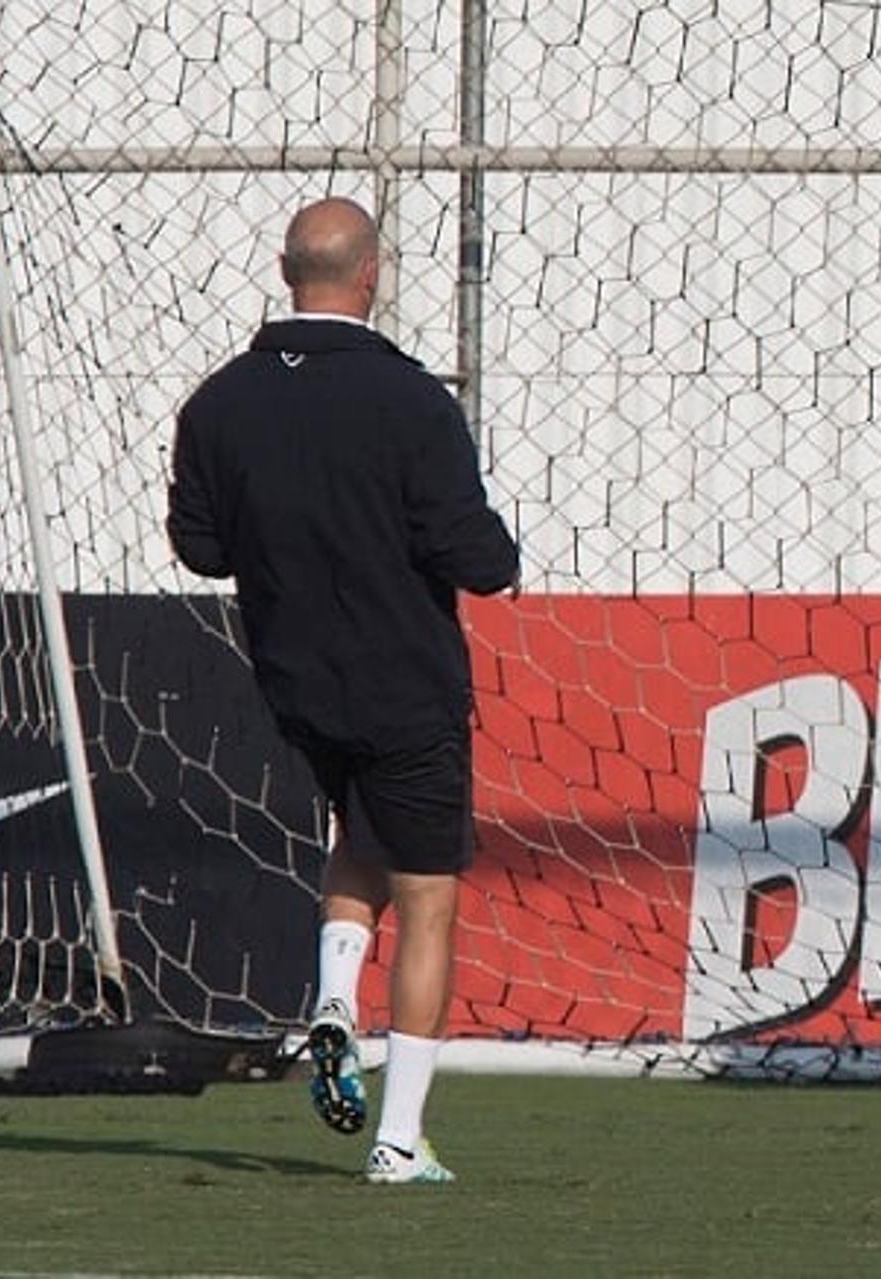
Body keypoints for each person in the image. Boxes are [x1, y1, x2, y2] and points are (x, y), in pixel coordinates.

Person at [167, 197, 519, 1183]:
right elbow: (472, 552)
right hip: (406, 680)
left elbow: (198, 547)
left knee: (355, 837)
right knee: (429, 898)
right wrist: (498, 555)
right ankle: (399, 1143)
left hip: (297, 681)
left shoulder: (220, 401)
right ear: (370, 275)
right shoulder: (412, 400)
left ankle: (332, 998)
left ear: (288, 273)